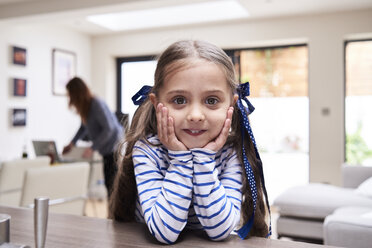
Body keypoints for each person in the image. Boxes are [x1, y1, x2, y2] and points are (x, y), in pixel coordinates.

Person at [109, 40, 270, 244]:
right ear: (157, 104)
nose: (195, 115)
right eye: (179, 100)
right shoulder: (148, 150)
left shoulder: (230, 154)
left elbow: (220, 231)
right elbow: (164, 233)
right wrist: (180, 159)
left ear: (232, 104)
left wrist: (203, 160)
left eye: (211, 100)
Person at [63, 77, 123, 198]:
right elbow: (83, 128)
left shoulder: (96, 104)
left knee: (113, 186)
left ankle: (114, 215)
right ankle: (111, 214)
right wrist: (72, 143)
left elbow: (109, 128)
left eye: (70, 94)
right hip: (106, 150)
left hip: (114, 148)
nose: (69, 98)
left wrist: (93, 147)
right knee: (109, 185)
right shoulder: (86, 107)